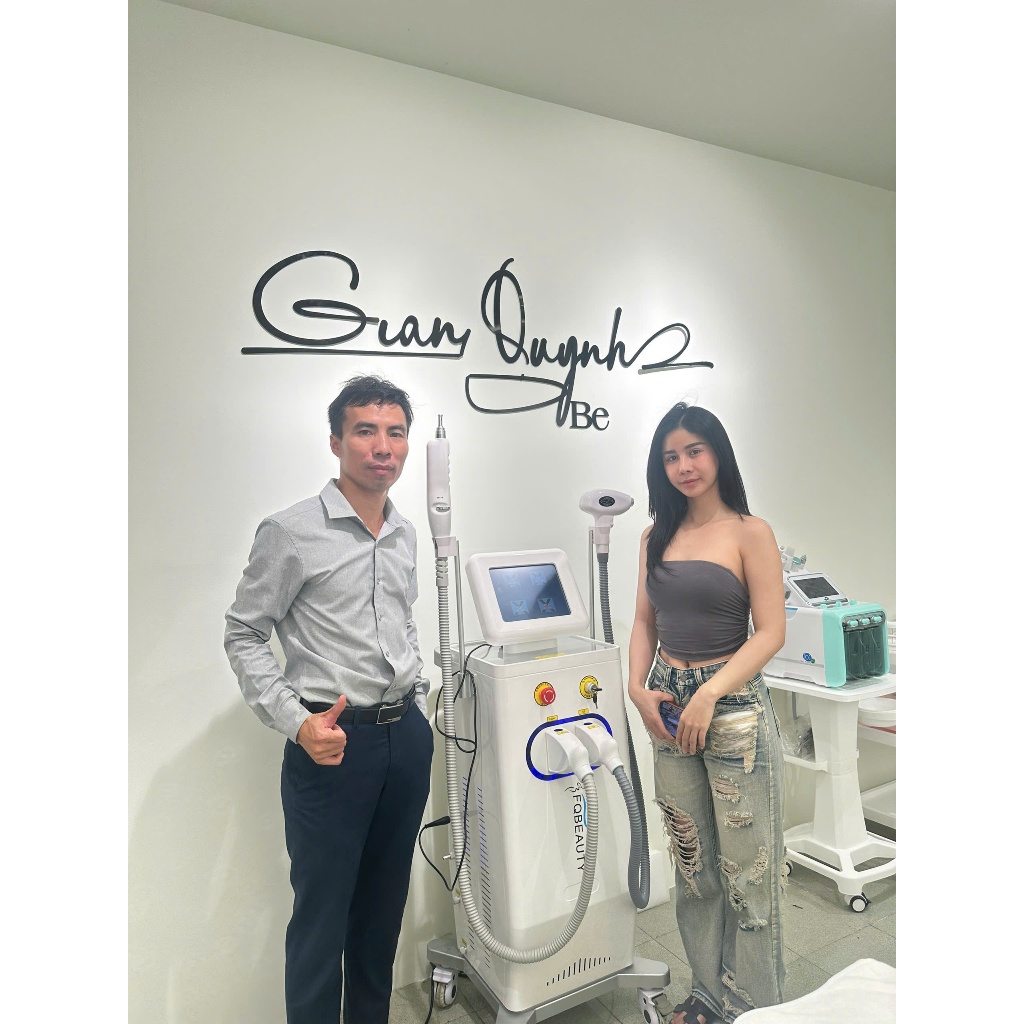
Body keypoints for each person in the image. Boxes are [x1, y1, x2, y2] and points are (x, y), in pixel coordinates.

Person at [224, 374, 433, 1024]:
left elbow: (398, 623)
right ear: (336, 441)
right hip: (332, 747)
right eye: (365, 431)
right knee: (321, 922)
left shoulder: (403, 532)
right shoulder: (290, 532)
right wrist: (297, 722)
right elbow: (244, 632)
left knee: (381, 913)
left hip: (405, 740)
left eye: (395, 432)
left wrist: (417, 695)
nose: (382, 447)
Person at [626, 402, 787, 1024]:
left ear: (717, 453)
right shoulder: (654, 536)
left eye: (694, 450)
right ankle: (705, 995)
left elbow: (770, 632)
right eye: (671, 456)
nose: (684, 465)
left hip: (732, 705)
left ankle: (754, 1007)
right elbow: (644, 622)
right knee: (693, 866)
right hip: (668, 704)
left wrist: (711, 692)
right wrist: (637, 688)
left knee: (749, 871)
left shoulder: (750, 532)